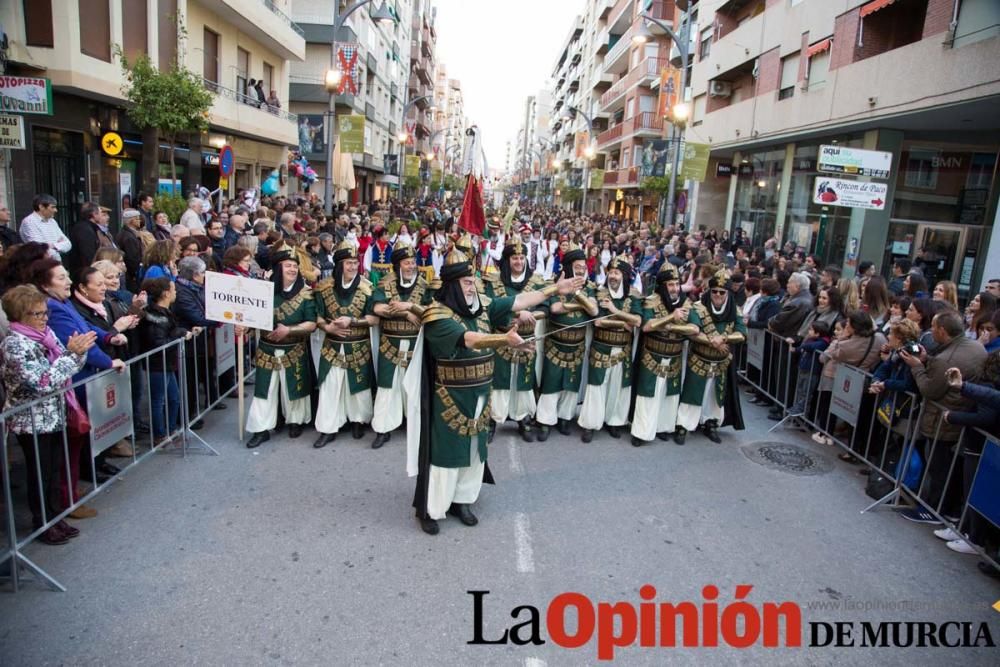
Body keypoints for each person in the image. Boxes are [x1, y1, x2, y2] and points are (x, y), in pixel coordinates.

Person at [405, 248, 582, 535]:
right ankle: (433, 508)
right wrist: (505, 339)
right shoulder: (436, 316)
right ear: (452, 286)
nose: (472, 286)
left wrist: (553, 288)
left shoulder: (484, 305)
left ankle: (463, 500)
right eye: (465, 282)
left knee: (475, 450)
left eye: (472, 280)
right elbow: (469, 339)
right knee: (446, 453)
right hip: (449, 395)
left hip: (481, 391)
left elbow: (520, 300)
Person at [32, 258, 126, 517]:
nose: (69, 282)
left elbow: (86, 328)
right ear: (44, 283)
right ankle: (67, 499)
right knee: (69, 445)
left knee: (76, 443)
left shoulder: (62, 303)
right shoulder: (52, 307)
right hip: (72, 382)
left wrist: (107, 335)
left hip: (78, 378)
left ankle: (70, 492)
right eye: (61, 278)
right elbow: (80, 340)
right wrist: (108, 360)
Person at [1, 285, 94, 544]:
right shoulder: (14, 344)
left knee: (54, 470)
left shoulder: (45, 334)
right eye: (37, 314)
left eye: (44, 313)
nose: (44, 318)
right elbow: (42, 382)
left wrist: (76, 352)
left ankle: (55, 517)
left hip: (54, 414)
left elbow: (69, 366)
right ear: (20, 315)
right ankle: (42, 522)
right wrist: (71, 354)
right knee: (40, 473)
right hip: (30, 421)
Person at [899, 310, 986, 523]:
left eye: (934, 328)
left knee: (938, 468)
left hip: (942, 420)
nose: (931, 331)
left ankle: (932, 509)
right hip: (958, 417)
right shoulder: (976, 347)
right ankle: (944, 507)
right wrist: (927, 359)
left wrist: (917, 367)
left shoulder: (946, 359)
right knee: (947, 468)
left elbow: (930, 390)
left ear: (942, 331)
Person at [243, 250, 317, 448]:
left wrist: (290, 329)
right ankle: (260, 429)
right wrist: (245, 326)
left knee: (295, 388)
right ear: (278, 269)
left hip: (294, 348)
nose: (292, 269)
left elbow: (311, 323)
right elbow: (252, 317)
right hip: (267, 348)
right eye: (288, 266)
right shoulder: (264, 292)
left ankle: (296, 421)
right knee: (264, 391)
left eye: (295, 266)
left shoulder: (307, 293)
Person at [312, 242, 378, 448]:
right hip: (332, 345)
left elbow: (374, 319)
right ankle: (328, 427)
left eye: (354, 262)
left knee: (358, 387)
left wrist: (353, 321)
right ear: (339, 265)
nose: (352, 267)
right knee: (330, 386)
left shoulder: (367, 288)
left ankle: (358, 421)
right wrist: (327, 328)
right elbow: (317, 316)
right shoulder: (324, 288)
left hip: (359, 345)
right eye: (348, 263)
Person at [484, 239, 548, 443]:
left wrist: (531, 314)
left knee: (524, 382)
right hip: (502, 338)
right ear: (507, 260)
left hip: (527, 339)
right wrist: (518, 313)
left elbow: (546, 308)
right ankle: (492, 421)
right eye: (514, 258)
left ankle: (523, 420)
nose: (519, 262)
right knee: (499, 381)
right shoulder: (494, 282)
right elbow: (490, 309)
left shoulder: (536, 282)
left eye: (522, 258)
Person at [369, 243, 431, 449]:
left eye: (413, 262)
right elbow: (378, 308)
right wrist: (404, 313)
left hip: (416, 343)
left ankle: (416, 424)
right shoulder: (385, 283)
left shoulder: (425, 285)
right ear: (397, 265)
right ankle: (383, 428)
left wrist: (409, 306)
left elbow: (432, 312)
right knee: (388, 387)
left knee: (415, 386)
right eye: (406, 263)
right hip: (390, 343)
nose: (411, 266)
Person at [676, 267, 747, 444]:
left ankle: (710, 423)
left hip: (721, 362)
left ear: (728, 293)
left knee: (715, 396)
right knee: (692, 393)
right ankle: (684, 425)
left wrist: (723, 338)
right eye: (714, 291)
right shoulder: (698, 308)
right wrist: (711, 341)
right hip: (699, 357)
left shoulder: (735, 310)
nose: (717, 295)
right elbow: (693, 331)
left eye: (721, 292)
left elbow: (742, 333)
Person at [535, 243, 598, 441]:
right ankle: (545, 421)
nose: (581, 270)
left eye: (583, 266)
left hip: (577, 345)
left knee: (572, 383)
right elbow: (554, 309)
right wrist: (581, 306)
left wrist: (577, 295)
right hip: (556, 343)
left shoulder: (591, 288)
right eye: (577, 266)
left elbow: (595, 312)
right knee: (551, 383)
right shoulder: (556, 285)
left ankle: (565, 417)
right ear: (569, 267)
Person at [630, 264, 697, 447]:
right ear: (662, 286)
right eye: (670, 285)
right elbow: (647, 326)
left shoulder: (685, 303)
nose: (675, 288)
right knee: (647, 395)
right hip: (652, 354)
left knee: (669, 395)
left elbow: (694, 328)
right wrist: (671, 318)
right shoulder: (651, 300)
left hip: (674, 355)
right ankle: (641, 432)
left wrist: (670, 326)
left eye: (677, 284)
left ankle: (663, 427)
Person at [577, 256, 642, 442]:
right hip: (601, 347)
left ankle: (614, 422)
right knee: (596, 387)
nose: (613, 276)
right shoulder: (599, 293)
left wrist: (614, 311)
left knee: (618, 387)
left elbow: (637, 321)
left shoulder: (634, 295)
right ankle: (590, 423)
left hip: (623, 350)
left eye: (617, 273)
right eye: (611, 272)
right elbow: (597, 322)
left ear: (624, 275)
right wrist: (625, 321)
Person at [66, 202, 117, 279]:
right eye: (100, 213)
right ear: (94, 214)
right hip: (84, 274)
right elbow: (88, 256)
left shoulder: (90, 228)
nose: (102, 216)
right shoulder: (84, 230)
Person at [20, 194, 71, 261]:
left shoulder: (52, 222)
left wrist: (53, 246)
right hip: (40, 265)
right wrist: (58, 245)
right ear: (41, 207)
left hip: (56, 264)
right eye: (52, 207)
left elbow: (68, 244)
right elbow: (39, 248)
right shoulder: (29, 222)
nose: (56, 210)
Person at [116, 208, 147, 293]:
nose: (139, 221)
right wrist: (136, 274)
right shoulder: (129, 237)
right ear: (131, 221)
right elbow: (132, 259)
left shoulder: (128, 234)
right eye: (137, 219)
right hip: (131, 277)